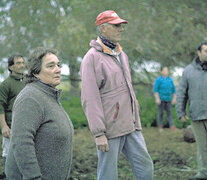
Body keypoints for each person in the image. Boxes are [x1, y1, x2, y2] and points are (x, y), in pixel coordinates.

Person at [80, 10, 153, 180]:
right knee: (108, 174)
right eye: (116, 25)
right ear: (102, 28)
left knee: (145, 167)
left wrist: (136, 119)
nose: (121, 29)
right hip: (110, 129)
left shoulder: (122, 54)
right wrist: (99, 134)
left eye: (121, 25)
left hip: (131, 125)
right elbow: (89, 99)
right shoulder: (91, 59)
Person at [5, 47, 74, 180]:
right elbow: (21, 142)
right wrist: (33, 177)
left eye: (58, 65)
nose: (58, 69)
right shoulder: (30, 98)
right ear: (36, 72)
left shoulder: (47, 94)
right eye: (50, 66)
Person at [176, 41, 207, 180]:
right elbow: (182, 92)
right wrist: (180, 112)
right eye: (206, 51)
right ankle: (203, 173)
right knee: (203, 147)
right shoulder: (188, 71)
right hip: (197, 115)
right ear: (199, 53)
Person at [0, 54, 25, 179]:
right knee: (9, 156)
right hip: (11, 127)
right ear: (11, 67)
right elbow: (0, 106)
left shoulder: (28, 82)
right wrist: (4, 126)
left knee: (24, 156)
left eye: (22, 62)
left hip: (26, 127)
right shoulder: (6, 85)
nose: (22, 65)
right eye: (18, 63)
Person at [153, 66, 176, 132]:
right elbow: (155, 90)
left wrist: (174, 98)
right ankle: (160, 126)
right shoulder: (158, 79)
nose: (166, 72)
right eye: (165, 70)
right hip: (161, 99)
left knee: (169, 113)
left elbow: (174, 90)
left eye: (167, 70)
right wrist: (157, 98)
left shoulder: (170, 80)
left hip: (168, 99)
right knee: (160, 113)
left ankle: (171, 126)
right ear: (161, 72)